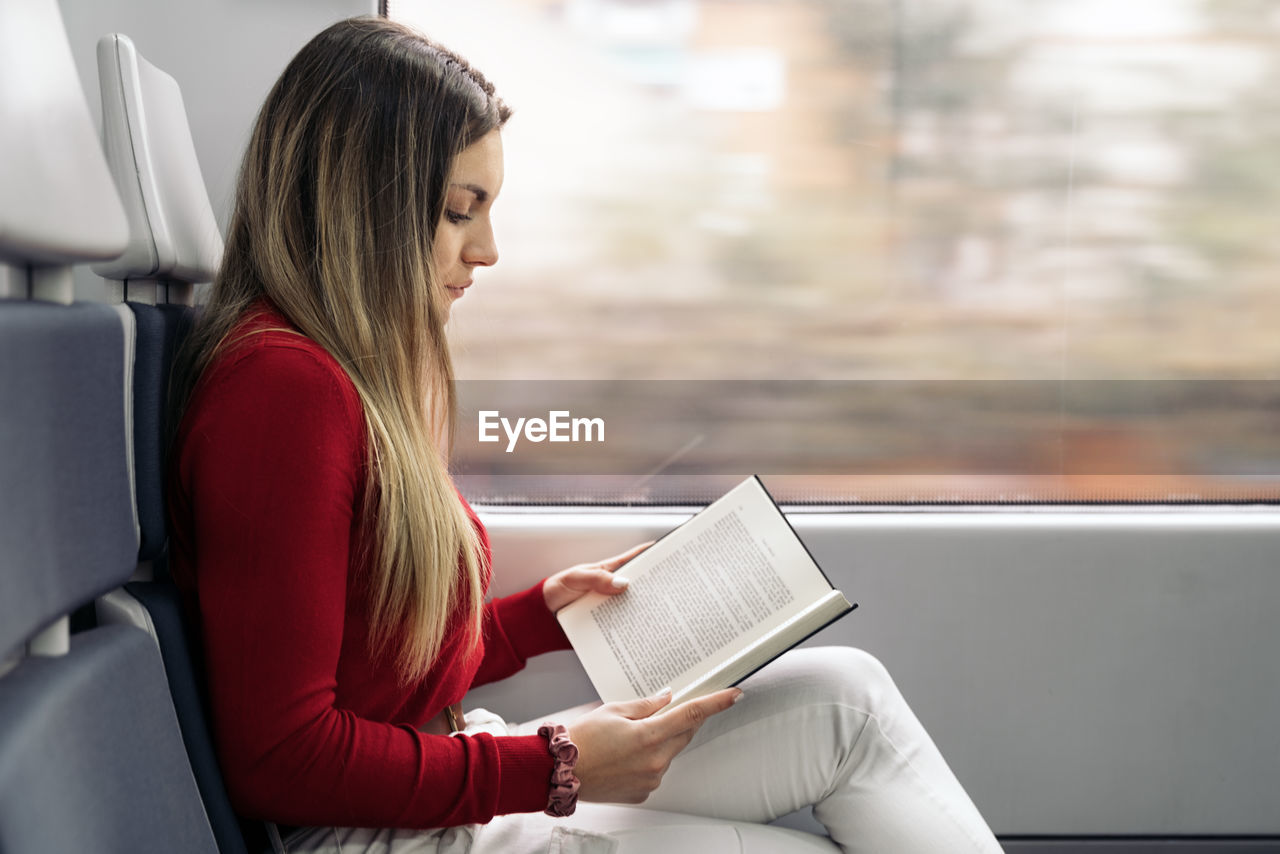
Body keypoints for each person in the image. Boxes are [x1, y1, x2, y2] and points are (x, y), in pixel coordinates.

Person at [166, 16, 1002, 854]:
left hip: (429, 767)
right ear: (365, 207)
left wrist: (542, 617)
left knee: (846, 700)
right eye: (462, 211)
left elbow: (377, 667)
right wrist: (555, 766)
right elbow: (281, 756)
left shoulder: (341, 375)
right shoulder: (282, 391)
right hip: (364, 834)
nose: (488, 250)